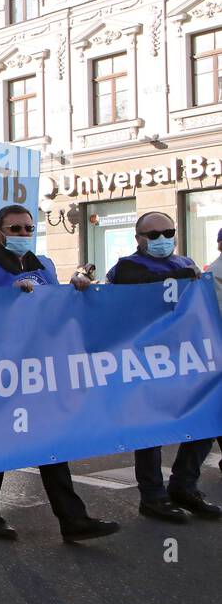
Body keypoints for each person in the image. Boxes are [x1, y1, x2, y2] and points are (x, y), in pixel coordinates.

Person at [0, 206, 122, 543]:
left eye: (27, 228)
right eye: (14, 228)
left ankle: (73, 519)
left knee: (50, 441)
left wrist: (75, 290)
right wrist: (7, 299)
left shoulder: (43, 265)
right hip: (1, 368)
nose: (22, 234)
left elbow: (56, 308)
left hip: (39, 368)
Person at [107, 211, 220, 522]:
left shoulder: (186, 264)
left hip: (187, 357)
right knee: (151, 430)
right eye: (153, 235)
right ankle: (153, 497)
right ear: (138, 239)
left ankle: (184, 485)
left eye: (167, 232)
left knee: (206, 419)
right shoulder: (127, 267)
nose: (161, 239)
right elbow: (140, 291)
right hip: (145, 360)